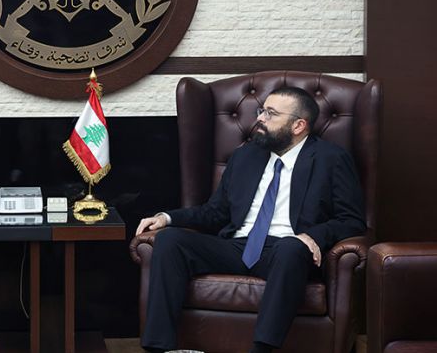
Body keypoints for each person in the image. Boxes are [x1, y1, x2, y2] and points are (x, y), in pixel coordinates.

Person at [136, 86, 366, 353]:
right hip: (238, 246)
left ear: (298, 125)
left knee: (290, 247)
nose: (259, 118)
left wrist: (313, 236)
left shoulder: (331, 159)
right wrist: (167, 218)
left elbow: (352, 220)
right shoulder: (246, 155)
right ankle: (159, 347)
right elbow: (215, 212)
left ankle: (262, 348)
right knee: (170, 240)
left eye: (270, 114)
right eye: (261, 111)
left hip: (286, 252)